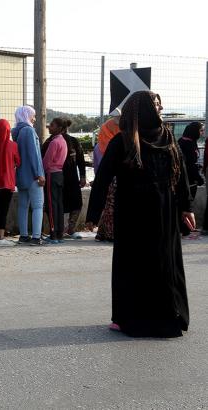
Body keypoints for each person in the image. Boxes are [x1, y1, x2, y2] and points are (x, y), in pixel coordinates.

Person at [86, 91, 193, 338]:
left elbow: (181, 172)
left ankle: (168, 315)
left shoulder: (166, 136)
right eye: (155, 104)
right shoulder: (123, 140)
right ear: (141, 109)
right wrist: (93, 213)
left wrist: (186, 205)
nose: (160, 107)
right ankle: (128, 316)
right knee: (133, 265)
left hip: (164, 210)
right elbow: (102, 179)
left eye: (159, 104)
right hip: (132, 211)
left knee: (163, 263)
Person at [13, 106, 45, 246]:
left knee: (23, 206)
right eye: (33, 115)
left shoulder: (16, 131)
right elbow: (34, 155)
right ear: (27, 115)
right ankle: (36, 237)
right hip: (33, 175)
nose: (34, 118)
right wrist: (39, 174)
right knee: (38, 206)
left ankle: (24, 235)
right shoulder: (29, 131)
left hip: (20, 174)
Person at [0, 119, 20, 247]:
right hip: (7, 181)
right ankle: (1, 238)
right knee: (4, 210)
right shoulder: (13, 145)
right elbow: (18, 161)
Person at [41, 118, 69, 243]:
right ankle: (59, 233)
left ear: (59, 128)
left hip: (51, 175)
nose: (49, 127)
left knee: (51, 205)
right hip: (60, 174)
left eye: (52, 125)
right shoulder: (63, 141)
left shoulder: (54, 142)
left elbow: (46, 161)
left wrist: (40, 171)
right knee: (58, 205)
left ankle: (53, 234)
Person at [94, 111, 121, 242]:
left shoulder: (99, 146)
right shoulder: (123, 141)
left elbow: (97, 166)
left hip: (105, 180)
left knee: (108, 207)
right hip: (116, 179)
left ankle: (104, 232)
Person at [177, 121, 204, 236]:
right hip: (189, 179)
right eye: (200, 130)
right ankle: (185, 229)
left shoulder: (183, 141)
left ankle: (184, 228)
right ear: (194, 131)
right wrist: (199, 178)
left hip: (185, 177)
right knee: (187, 203)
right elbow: (189, 165)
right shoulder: (189, 144)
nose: (202, 133)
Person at [60, 123, 87, 236]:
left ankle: (70, 228)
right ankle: (62, 228)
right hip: (60, 178)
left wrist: (82, 176)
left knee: (76, 203)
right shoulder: (51, 141)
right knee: (61, 204)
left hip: (70, 178)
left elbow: (80, 160)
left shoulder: (74, 141)